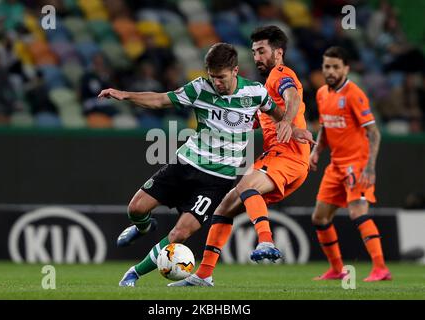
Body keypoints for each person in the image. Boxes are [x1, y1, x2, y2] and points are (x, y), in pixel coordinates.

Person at [98, 42, 313, 287]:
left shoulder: (255, 92)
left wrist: (294, 129)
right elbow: (160, 100)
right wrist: (125, 95)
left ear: (235, 71)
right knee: (135, 209)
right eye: (212, 77)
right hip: (186, 163)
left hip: (216, 181)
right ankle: (144, 227)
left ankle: (133, 274)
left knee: (180, 234)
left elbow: (275, 113)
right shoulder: (200, 88)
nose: (217, 83)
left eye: (221, 78)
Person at [169, 25, 314, 287]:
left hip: (287, 156)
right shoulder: (261, 90)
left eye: (261, 51)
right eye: (254, 52)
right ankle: (204, 275)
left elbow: (292, 96)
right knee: (223, 209)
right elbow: (258, 119)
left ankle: (266, 241)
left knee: (247, 184)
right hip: (282, 157)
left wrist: (288, 122)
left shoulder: (280, 74)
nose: (256, 57)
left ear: (278, 53)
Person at [309, 46, 391, 282]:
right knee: (320, 217)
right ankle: (337, 269)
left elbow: (374, 133)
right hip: (335, 166)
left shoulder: (354, 93)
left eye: (336, 67)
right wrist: (316, 151)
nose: (331, 71)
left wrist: (370, 168)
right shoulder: (322, 93)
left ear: (346, 68)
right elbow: (325, 126)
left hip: (357, 164)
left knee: (357, 213)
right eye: (327, 66)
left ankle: (380, 268)